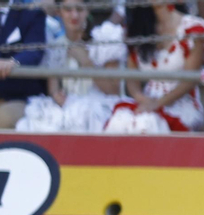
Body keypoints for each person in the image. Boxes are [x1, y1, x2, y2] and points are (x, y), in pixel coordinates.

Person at [13, 0, 125, 133]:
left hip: (99, 110)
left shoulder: (103, 41)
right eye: (68, 10)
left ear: (87, 10)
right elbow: (53, 89)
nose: (74, 16)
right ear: (59, 12)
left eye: (79, 9)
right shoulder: (55, 46)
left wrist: (86, 62)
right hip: (68, 109)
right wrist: (57, 96)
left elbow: (114, 91)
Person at [104, 1, 204, 133]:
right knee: (120, 122)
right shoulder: (138, 29)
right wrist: (142, 99)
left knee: (146, 123)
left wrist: (158, 104)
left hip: (181, 105)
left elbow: (190, 79)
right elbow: (131, 77)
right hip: (147, 101)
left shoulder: (191, 27)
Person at [0, 0, 46, 129]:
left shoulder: (30, 12)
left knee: (6, 117)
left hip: (16, 98)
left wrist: (13, 62)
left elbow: (34, 50)